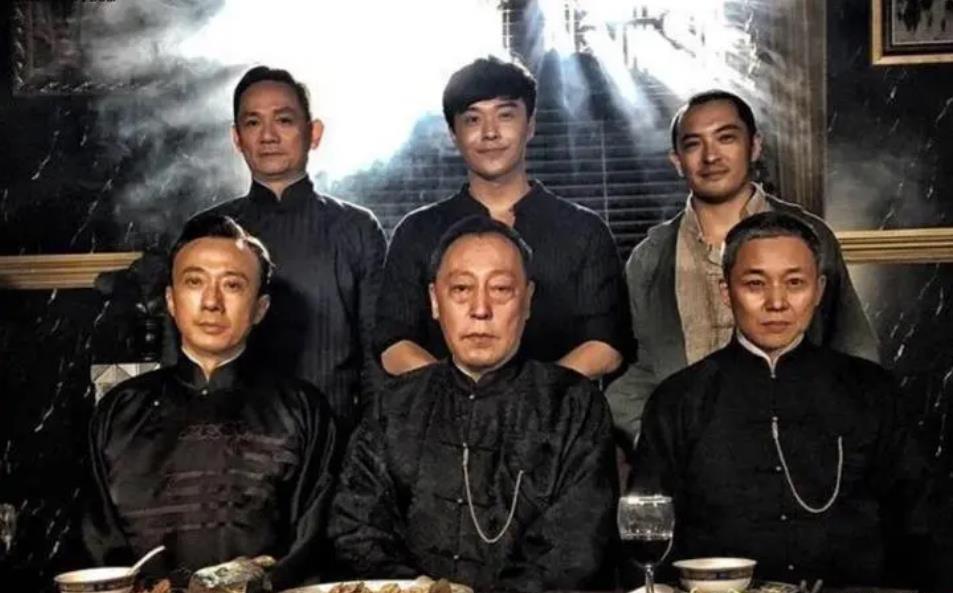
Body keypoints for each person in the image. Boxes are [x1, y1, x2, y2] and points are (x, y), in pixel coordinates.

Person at [629, 212, 930, 586]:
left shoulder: (872, 391)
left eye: (795, 283)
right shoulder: (677, 400)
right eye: (755, 284)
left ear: (818, 290)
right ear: (726, 291)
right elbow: (646, 540)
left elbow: (921, 524)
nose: (777, 302)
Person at [331, 216, 618, 591]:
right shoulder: (393, 407)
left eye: (500, 289)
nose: (480, 309)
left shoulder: (574, 406)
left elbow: (573, 552)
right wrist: (422, 589)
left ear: (528, 301)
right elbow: (355, 529)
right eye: (462, 289)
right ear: (435, 301)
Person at [606, 89, 878, 447]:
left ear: (754, 146)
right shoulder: (651, 258)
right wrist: (659, 442)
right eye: (694, 144)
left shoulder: (808, 237)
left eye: (726, 138)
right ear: (677, 161)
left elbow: (855, 350)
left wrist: (835, 439)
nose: (711, 156)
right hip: (694, 451)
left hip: (801, 446)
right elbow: (635, 373)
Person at [83, 215, 338, 590]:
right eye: (194, 282)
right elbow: (97, 546)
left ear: (260, 308)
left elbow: (311, 547)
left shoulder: (303, 410)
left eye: (232, 285)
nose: (212, 302)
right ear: (171, 300)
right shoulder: (118, 411)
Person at [374, 56, 631, 381]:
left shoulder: (584, 231)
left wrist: (534, 398)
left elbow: (606, 344)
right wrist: (460, 396)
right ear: (453, 134)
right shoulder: (416, 231)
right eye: (472, 119)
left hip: (559, 409)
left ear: (531, 124)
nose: (490, 133)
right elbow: (393, 342)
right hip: (438, 410)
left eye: (505, 115)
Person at [197, 66, 386, 429]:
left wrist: (369, 447)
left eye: (284, 120)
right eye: (253, 123)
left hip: (338, 440)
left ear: (314, 133)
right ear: (237, 138)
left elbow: (376, 360)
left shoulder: (357, 229)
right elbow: (180, 358)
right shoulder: (207, 232)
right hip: (228, 441)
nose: (268, 136)